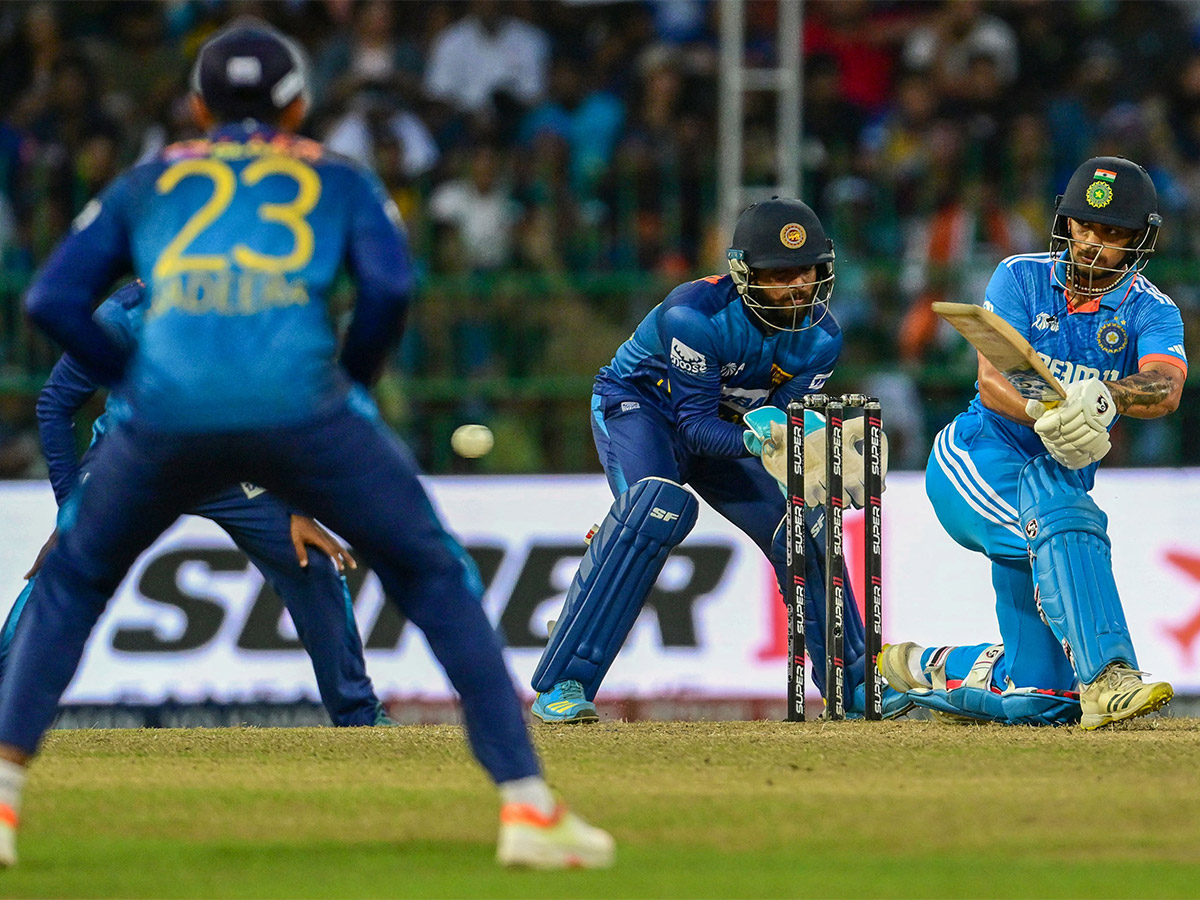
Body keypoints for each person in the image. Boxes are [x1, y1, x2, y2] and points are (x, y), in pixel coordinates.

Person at [0, 20, 612, 870]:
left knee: (69, 585)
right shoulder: (339, 176)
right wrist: (350, 386)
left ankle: (3, 804)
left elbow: (49, 300)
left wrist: (137, 379)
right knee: (434, 575)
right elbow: (392, 288)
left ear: (198, 105)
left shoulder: (151, 180)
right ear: (298, 103)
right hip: (302, 413)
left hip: (161, 421)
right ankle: (527, 809)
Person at [529, 197, 911, 724]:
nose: (799, 286)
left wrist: (807, 443)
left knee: (804, 527)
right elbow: (693, 427)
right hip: (643, 409)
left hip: (728, 428)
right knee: (653, 510)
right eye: (781, 275)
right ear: (745, 273)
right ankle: (564, 682)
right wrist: (764, 441)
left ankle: (854, 688)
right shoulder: (693, 315)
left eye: (808, 271)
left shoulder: (821, 338)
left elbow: (777, 421)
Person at [0, 280, 393, 728]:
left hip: (227, 462)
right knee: (65, 567)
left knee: (311, 562)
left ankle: (359, 718)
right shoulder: (127, 313)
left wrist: (298, 507)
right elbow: (55, 403)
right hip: (135, 460)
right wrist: (70, 511)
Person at [878, 156, 1184, 729]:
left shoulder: (1152, 310)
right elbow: (993, 384)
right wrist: (1046, 413)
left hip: (1053, 481)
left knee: (1040, 698)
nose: (1093, 244)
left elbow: (1165, 387)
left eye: (1113, 233)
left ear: (1138, 239)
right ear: (1066, 223)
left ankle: (925, 668)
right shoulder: (1018, 276)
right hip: (976, 458)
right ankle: (1110, 676)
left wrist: (1106, 399)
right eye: (1084, 226)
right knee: (1064, 515)